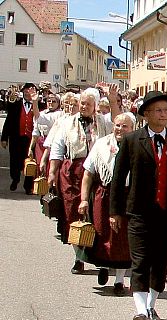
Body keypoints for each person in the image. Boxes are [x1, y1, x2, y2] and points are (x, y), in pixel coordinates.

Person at [110, 91, 167, 320]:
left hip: (166, 212)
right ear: (146, 114)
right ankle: (140, 311)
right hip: (138, 210)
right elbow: (118, 178)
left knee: (160, 261)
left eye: (166, 110)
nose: (163, 114)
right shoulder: (131, 140)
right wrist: (115, 211)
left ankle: (151, 306)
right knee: (140, 261)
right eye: (158, 110)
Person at [49, 88, 113, 274]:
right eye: (81, 103)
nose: (84, 106)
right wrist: (52, 171)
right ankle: (78, 257)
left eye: (88, 104)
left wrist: (112, 99)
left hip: (96, 172)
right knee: (73, 213)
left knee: (97, 213)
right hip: (72, 172)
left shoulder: (103, 122)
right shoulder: (67, 123)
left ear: (95, 106)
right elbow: (57, 148)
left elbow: (120, 120)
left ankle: (100, 256)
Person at [78, 113, 136, 294]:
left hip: (126, 196)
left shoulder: (137, 145)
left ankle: (119, 281)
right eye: (118, 125)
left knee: (122, 239)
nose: (120, 129)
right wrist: (84, 199)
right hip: (103, 194)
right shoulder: (101, 144)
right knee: (102, 233)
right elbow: (88, 173)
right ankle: (103, 267)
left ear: (132, 128)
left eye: (125, 126)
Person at [1, 82, 38, 193]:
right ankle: (15, 179)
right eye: (26, 91)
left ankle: (28, 186)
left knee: (29, 162)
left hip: (31, 139)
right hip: (16, 138)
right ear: (23, 92)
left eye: (30, 91)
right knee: (14, 161)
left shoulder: (38, 105)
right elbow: (8, 122)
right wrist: (4, 138)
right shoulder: (16, 105)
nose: (28, 93)